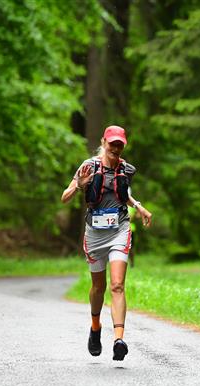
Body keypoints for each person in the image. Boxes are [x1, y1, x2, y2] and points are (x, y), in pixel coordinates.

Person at [61, 125, 152, 361]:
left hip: (119, 229)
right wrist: (79, 184)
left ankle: (119, 340)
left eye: (120, 144)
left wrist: (139, 206)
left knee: (117, 285)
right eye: (112, 144)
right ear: (104, 142)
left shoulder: (125, 169)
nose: (116, 148)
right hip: (94, 233)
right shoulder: (88, 166)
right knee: (98, 288)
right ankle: (95, 328)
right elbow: (65, 197)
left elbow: (123, 194)